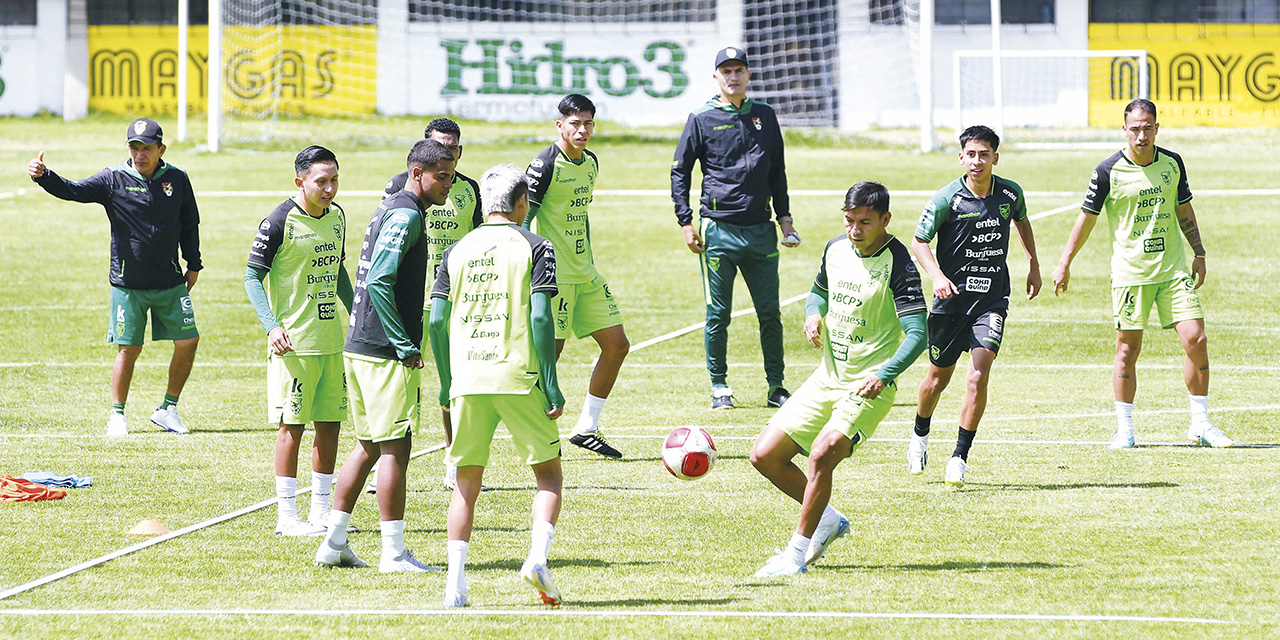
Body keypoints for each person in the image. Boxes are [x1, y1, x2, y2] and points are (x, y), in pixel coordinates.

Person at [748, 182, 926, 576]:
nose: (855, 230)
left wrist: (886, 373)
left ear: (885, 220)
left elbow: (918, 332)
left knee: (822, 455)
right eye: (849, 221)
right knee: (764, 455)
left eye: (864, 222)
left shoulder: (898, 261)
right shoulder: (835, 249)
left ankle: (795, 557)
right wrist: (813, 314)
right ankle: (828, 519)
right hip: (826, 377)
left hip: (868, 384)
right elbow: (818, 294)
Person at [1053, 99, 1232, 449]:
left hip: (1173, 270)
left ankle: (1201, 424)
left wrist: (1199, 251)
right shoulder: (1107, 171)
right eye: (1134, 128)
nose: (1141, 134)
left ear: (1156, 128)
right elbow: (1086, 218)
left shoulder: (1172, 163)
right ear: (1124, 130)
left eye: (1147, 127)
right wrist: (1064, 262)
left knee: (1196, 339)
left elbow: (1184, 208)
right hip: (1130, 274)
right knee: (1127, 348)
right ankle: (1125, 428)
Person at [313, 139, 456, 572]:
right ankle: (393, 552)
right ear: (418, 173)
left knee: (369, 446)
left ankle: (334, 542)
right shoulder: (407, 214)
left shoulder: (396, 206)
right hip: (381, 352)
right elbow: (378, 280)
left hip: (360, 346)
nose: (448, 185)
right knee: (396, 447)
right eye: (442, 177)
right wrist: (404, 344)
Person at [430, 164, 566, 607]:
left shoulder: (456, 249)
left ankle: (454, 584)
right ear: (523, 203)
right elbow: (543, 318)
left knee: (467, 482)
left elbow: (435, 320)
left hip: (467, 379)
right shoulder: (536, 245)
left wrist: (447, 381)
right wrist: (551, 383)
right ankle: (537, 559)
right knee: (547, 475)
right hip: (518, 375)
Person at [28, 118, 201, 436]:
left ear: (160, 149)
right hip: (128, 284)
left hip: (170, 280)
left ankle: (168, 409)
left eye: (146, 148)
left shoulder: (177, 178)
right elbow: (74, 191)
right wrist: (45, 177)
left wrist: (194, 264)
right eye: (134, 148)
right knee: (128, 349)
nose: (139, 154)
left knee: (189, 340)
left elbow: (190, 222)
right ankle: (117, 416)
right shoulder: (113, 179)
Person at [908, 125, 1042, 488]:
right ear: (961, 157)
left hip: (992, 299)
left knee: (978, 372)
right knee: (937, 379)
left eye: (985, 154)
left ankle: (959, 457)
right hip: (950, 301)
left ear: (995, 157)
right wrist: (936, 275)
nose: (978, 161)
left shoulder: (1010, 193)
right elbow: (920, 242)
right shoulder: (945, 199)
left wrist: (1033, 263)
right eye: (971, 154)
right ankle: (920, 434)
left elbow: (1022, 222)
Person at [671, 46, 800, 410]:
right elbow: (680, 171)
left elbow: (778, 171)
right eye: (726, 70)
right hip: (718, 230)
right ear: (716, 76)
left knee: (770, 313)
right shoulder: (702, 117)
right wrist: (686, 221)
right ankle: (719, 385)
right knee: (718, 314)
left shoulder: (765, 115)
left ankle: (776, 386)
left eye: (739, 69)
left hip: (760, 230)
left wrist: (784, 218)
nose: (733, 76)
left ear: (748, 74)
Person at [244, 145, 353, 536]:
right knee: (293, 427)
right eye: (321, 181)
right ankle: (287, 517)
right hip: (295, 344)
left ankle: (321, 512)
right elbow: (251, 277)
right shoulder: (278, 221)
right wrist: (272, 326)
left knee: (331, 424)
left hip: (331, 341)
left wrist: (357, 310)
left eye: (334, 180)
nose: (329, 189)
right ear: (300, 182)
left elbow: (338, 270)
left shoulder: (338, 217)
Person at [370, 117, 483, 491]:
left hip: (455, 297)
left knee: (455, 380)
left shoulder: (469, 190)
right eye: (440, 147)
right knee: (401, 382)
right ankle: (382, 461)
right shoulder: (402, 189)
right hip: (412, 296)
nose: (446, 154)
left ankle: (455, 458)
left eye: (452, 149)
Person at [523, 93, 628, 459]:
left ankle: (587, 427)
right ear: (560, 126)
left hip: (586, 273)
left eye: (588, 123)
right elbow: (523, 218)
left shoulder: (591, 163)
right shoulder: (544, 165)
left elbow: (579, 214)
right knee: (548, 357)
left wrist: (589, 259)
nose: (583, 130)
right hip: (555, 276)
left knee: (617, 344)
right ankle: (535, 434)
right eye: (575, 124)